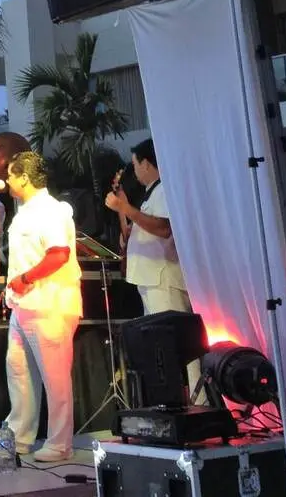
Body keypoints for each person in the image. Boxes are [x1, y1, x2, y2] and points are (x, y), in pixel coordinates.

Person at [106, 138, 201, 395]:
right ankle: (175, 398)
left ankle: (199, 398)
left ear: (147, 164)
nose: (135, 171)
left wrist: (125, 207)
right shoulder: (151, 194)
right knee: (161, 344)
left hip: (163, 277)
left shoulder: (165, 189)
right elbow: (134, 232)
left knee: (179, 342)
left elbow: (163, 227)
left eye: (136, 164)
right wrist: (123, 208)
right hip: (150, 279)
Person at [3, 151, 81, 462]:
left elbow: (59, 253)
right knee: (18, 370)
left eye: (10, 174)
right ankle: (19, 435)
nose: (7, 180)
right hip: (23, 304)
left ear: (24, 177)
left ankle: (60, 444)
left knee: (55, 376)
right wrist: (14, 287)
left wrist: (25, 279)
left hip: (49, 304)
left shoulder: (51, 210)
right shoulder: (24, 212)